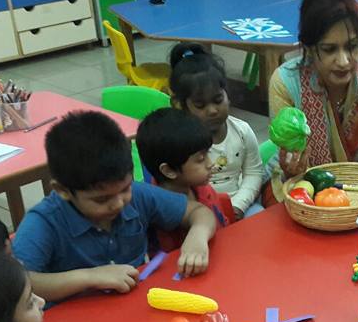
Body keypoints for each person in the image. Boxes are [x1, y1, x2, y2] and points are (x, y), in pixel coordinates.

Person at [12, 111, 217, 302]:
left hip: (135, 305)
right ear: (62, 190)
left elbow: (199, 212)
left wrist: (197, 237)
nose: (119, 203)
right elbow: (18, 282)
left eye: (125, 189)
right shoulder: (44, 222)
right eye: (102, 199)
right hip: (77, 315)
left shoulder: (138, 195)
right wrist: (89, 277)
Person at [266, 0, 358, 204]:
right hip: (305, 190)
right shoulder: (286, 84)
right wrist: (292, 168)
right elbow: (291, 163)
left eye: (353, 46)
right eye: (329, 49)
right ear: (309, 48)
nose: (344, 61)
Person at [168, 43, 263, 219]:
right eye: (200, 105)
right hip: (197, 212)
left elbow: (254, 173)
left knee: (260, 217)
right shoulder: (179, 143)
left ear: (227, 94)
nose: (212, 110)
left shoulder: (242, 131)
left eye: (218, 100)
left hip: (238, 205)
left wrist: (238, 206)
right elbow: (176, 189)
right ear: (181, 105)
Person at [136, 107, 234, 232]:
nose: (210, 164)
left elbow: (223, 221)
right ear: (169, 171)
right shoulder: (161, 217)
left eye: (208, 153)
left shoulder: (202, 187)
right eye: (200, 159)